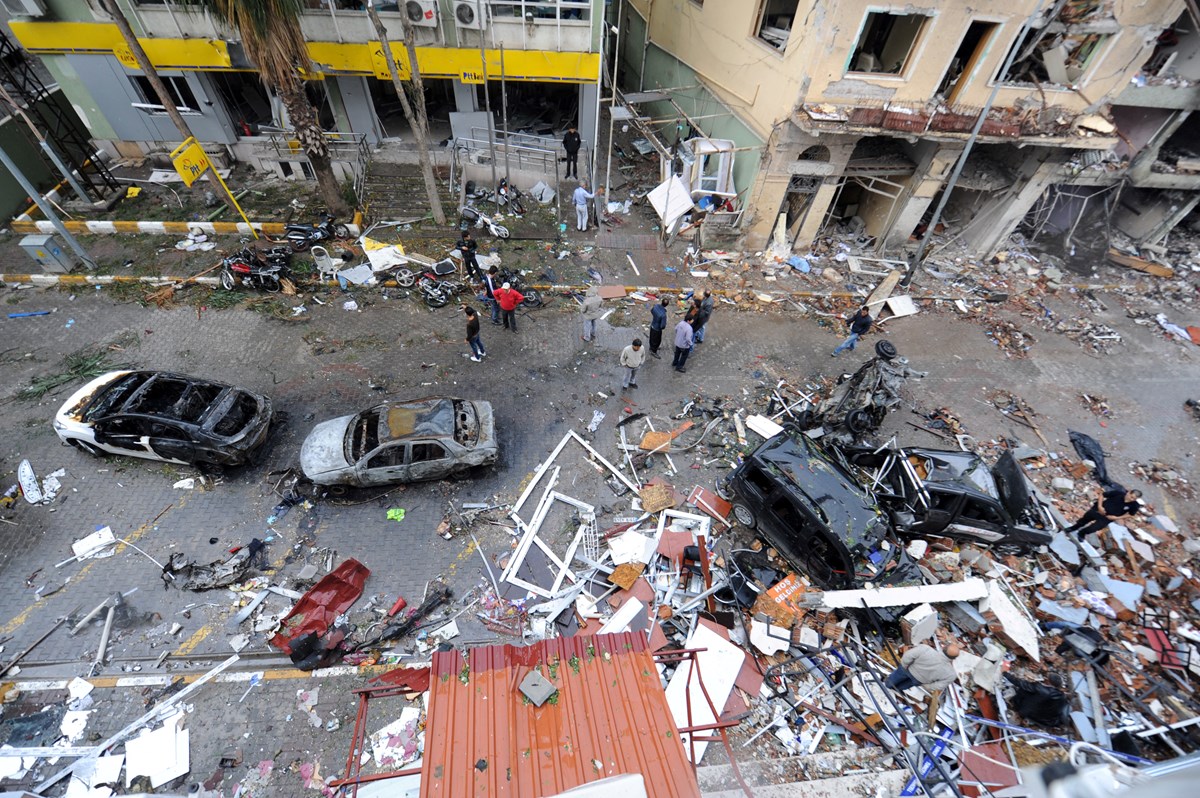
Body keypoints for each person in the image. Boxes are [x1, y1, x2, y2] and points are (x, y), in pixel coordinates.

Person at [1064, 486, 1142, 538]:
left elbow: (1131, 514)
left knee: (1094, 528)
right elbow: (1102, 495)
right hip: (1098, 510)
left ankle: (1082, 533)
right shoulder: (1118, 493)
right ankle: (1073, 528)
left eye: (1133, 499)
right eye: (1131, 496)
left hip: (1108, 518)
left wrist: (1116, 517)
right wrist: (1100, 506)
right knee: (1085, 519)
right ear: (1129, 492)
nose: (1131, 499)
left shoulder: (1134, 505)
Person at [885, 644, 960, 693]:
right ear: (955, 658)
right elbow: (938, 686)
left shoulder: (926, 649)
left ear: (944, 648)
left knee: (891, 681)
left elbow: (908, 656)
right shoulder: (951, 674)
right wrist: (925, 686)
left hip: (907, 669)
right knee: (900, 688)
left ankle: (885, 686)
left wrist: (904, 666)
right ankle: (892, 692)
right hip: (918, 681)